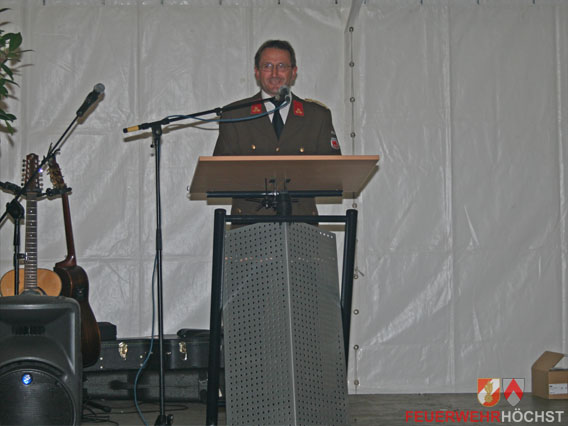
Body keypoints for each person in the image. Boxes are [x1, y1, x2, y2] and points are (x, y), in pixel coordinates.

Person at [213, 39, 341, 217]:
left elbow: (333, 173)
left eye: (282, 66)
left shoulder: (317, 116)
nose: (274, 73)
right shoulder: (235, 114)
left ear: (293, 72)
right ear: (257, 72)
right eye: (267, 66)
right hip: (249, 223)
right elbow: (219, 175)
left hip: (301, 222)